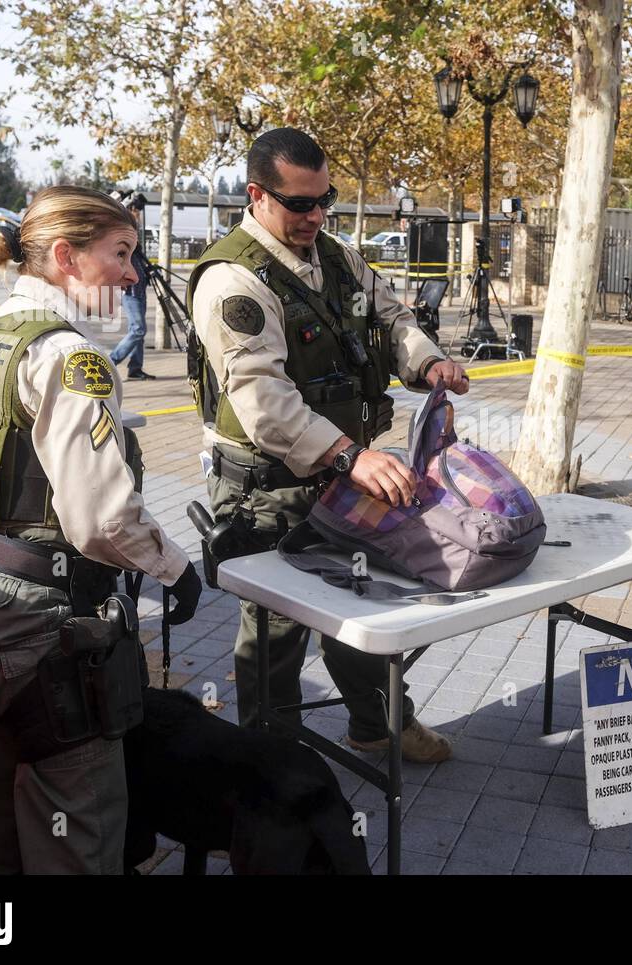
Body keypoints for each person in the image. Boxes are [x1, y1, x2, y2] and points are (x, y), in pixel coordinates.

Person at [0, 185, 203, 874]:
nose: (134, 273)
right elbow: (103, 517)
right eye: (122, 253)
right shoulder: (69, 357)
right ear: (65, 256)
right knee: (75, 817)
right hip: (32, 624)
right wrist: (174, 566)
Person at [188, 128, 469, 763]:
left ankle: (377, 725)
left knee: (358, 598)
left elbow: (391, 317)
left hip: (345, 473)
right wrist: (351, 455)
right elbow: (264, 404)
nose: (315, 215)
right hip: (269, 485)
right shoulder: (233, 280)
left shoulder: (338, 257)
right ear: (258, 196)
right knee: (276, 628)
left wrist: (427, 363)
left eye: (325, 201)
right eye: (300, 204)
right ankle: (268, 766)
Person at [109, 194, 154, 380]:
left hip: (140, 288)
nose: (137, 213)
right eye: (134, 210)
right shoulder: (124, 234)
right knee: (138, 329)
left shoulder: (133, 237)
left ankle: (135, 368)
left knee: (138, 331)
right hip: (131, 291)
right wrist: (129, 216)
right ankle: (111, 362)